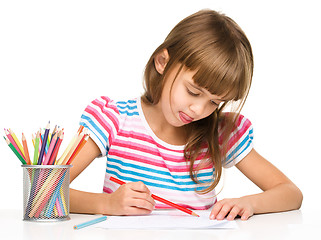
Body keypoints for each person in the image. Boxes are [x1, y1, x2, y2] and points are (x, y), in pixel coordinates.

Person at [69, 9, 303, 221]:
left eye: (214, 101)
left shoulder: (220, 133)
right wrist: (106, 203)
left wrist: (249, 203)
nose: (199, 110)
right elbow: (42, 191)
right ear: (162, 62)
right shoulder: (115, 120)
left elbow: (290, 193)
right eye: (193, 91)